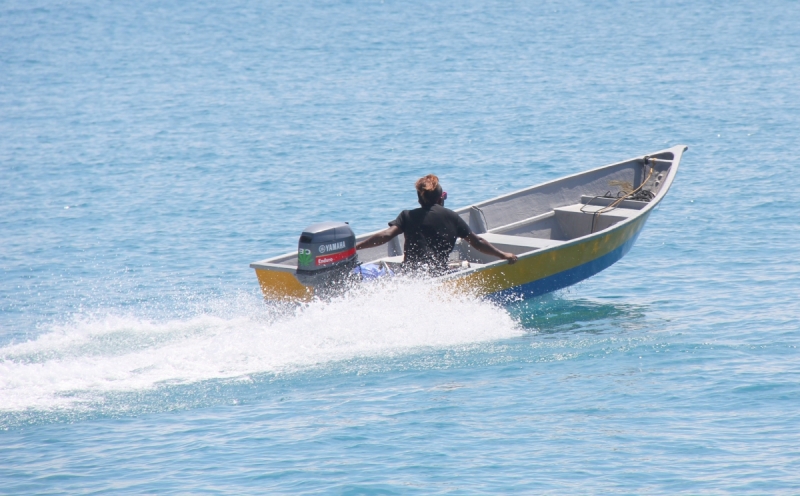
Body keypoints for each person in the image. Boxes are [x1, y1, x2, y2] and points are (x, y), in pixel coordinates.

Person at [355, 174, 518, 275]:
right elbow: (478, 242)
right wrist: (503, 255)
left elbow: (385, 236)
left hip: (411, 276)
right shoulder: (452, 217)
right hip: (438, 275)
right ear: (441, 198)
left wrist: (356, 247)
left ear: (419, 200)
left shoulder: (407, 216)